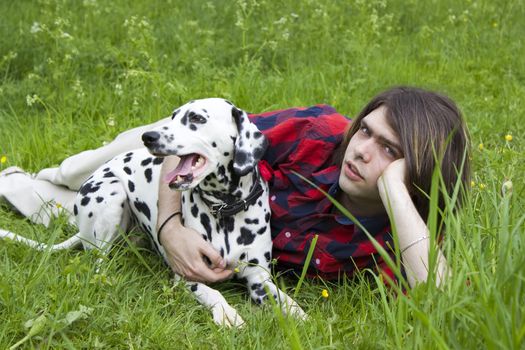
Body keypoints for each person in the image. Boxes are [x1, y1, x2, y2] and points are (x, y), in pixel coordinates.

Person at [0, 86, 470, 289]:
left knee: (84, 215)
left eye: (389, 150)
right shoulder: (320, 133)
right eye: (365, 130)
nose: (362, 149)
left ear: (421, 170)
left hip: (202, 221)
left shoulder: (406, 239)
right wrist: (169, 227)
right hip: (176, 176)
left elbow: (442, 299)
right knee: (94, 164)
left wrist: (395, 191)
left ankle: (31, 191)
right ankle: (55, 174)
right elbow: (196, 143)